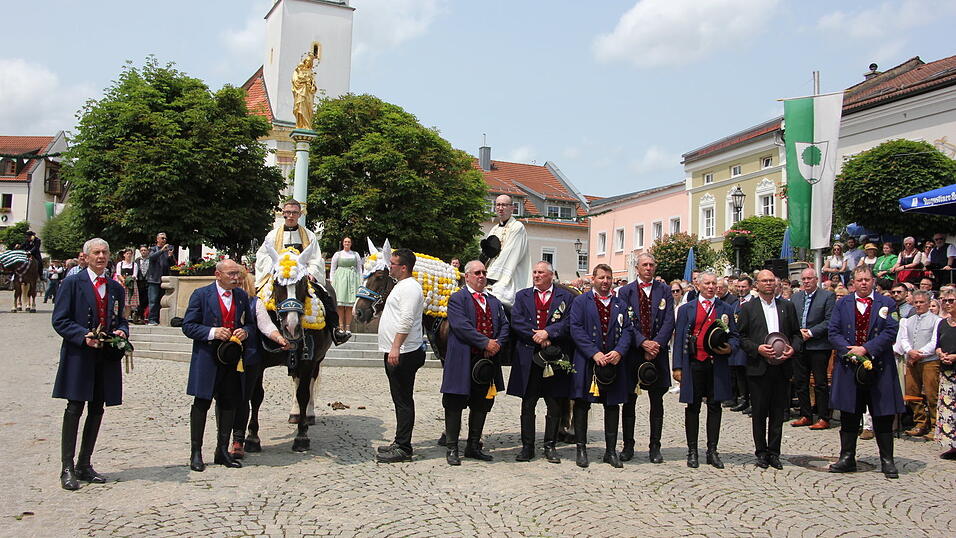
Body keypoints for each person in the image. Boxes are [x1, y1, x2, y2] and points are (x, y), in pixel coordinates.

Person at [51, 238, 129, 490]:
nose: (101, 256)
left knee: (97, 408)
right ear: (86, 257)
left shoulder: (115, 287)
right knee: (75, 408)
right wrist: (82, 336)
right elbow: (60, 320)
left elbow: (121, 319)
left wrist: (122, 332)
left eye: (105, 252)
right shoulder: (73, 283)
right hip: (79, 355)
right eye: (96, 252)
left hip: (105, 357)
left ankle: (85, 463)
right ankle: (67, 467)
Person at [828, 265, 904, 478]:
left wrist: (867, 349)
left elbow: (891, 331)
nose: (863, 283)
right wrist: (849, 351)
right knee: (849, 414)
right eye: (859, 280)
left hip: (879, 367)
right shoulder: (842, 303)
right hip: (849, 367)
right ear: (853, 282)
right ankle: (847, 457)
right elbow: (833, 332)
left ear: (873, 282)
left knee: (882, 414)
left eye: (867, 279)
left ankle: (887, 460)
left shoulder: (887, 303)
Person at [181, 259, 255, 472]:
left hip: (231, 360)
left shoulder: (241, 296)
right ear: (218, 274)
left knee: (229, 404)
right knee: (201, 404)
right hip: (207, 359)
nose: (236, 278)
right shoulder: (202, 295)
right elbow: (188, 326)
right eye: (231, 274)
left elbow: (250, 323)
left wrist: (246, 331)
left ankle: (222, 450)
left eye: (238, 274)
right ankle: (196, 452)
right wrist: (212, 332)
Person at [441, 260, 510, 466]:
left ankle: (473, 445)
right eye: (477, 272)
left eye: (484, 272)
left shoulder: (495, 302)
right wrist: (485, 342)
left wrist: (497, 343)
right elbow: (461, 326)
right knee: (454, 403)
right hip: (463, 360)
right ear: (467, 276)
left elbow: (505, 325)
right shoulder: (457, 299)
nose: (481, 276)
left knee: (482, 404)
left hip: (487, 363)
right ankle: (452, 447)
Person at [506, 261, 576, 463]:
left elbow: (569, 322)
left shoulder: (567, 297)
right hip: (528, 357)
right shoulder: (523, 295)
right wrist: (536, 336)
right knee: (528, 404)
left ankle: (550, 445)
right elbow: (517, 321)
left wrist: (549, 333)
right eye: (534, 272)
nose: (536, 275)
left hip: (555, 356)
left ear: (551, 275)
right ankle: (527, 446)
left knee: (554, 403)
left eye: (541, 273)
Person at [255, 199, 348, 346]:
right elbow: (262, 256)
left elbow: (316, 258)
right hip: (280, 277)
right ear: (283, 214)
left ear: (300, 214)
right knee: (255, 297)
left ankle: (335, 329)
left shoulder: (309, 236)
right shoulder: (272, 236)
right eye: (287, 213)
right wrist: (277, 268)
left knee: (326, 294)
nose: (290, 216)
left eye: (294, 213)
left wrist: (310, 272)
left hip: (302, 277)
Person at [568, 264, 633, 468]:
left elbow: (628, 330)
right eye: (601, 278)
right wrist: (593, 352)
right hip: (588, 361)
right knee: (582, 404)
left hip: (612, 362)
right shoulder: (580, 302)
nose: (605, 281)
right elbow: (575, 328)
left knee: (612, 405)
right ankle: (581, 449)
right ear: (593, 279)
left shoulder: (620, 304)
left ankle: (610, 451)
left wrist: (619, 351)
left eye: (609, 278)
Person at [737, 270, 802, 469]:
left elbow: (796, 334)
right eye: (764, 281)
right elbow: (741, 338)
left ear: (776, 284)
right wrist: (757, 348)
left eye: (771, 281)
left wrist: (793, 349)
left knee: (777, 412)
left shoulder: (787, 306)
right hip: (759, 367)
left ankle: (774, 452)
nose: (768, 284)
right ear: (756, 284)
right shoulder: (748, 308)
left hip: (781, 367)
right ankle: (761, 452)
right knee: (759, 412)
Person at [672, 271, 737, 469]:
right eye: (707, 283)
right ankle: (692, 451)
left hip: (716, 364)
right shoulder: (687, 309)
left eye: (714, 284)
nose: (711, 287)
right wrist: (677, 366)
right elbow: (679, 338)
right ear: (699, 285)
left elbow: (734, 335)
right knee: (693, 407)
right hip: (694, 362)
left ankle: (712, 450)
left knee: (715, 406)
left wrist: (730, 347)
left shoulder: (725, 308)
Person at [617, 253, 675, 464]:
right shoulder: (625, 292)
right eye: (645, 265)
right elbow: (624, 322)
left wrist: (656, 344)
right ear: (637, 267)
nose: (648, 268)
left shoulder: (665, 291)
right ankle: (628, 445)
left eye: (651, 265)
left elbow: (669, 320)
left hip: (657, 354)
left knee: (657, 402)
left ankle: (655, 446)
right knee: (629, 401)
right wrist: (642, 342)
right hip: (634, 353)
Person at [231, 267, 288, 460]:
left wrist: (280, 338)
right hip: (226, 357)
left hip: (248, 358)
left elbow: (266, 325)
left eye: (240, 282)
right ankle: (224, 440)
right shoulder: (222, 301)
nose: (237, 284)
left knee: (245, 397)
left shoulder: (255, 303)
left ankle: (238, 439)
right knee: (227, 399)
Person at [376, 248, 426, 463]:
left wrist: (396, 347)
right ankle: (399, 440)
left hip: (404, 352)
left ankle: (404, 447)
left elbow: (406, 320)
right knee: (399, 399)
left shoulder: (410, 288)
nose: (390, 267)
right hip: (396, 351)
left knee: (404, 400)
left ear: (404, 267)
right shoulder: (401, 286)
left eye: (393, 264)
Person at [790, 269, 836, 430]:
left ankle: (823, 416)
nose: (806, 281)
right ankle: (805, 414)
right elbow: (791, 318)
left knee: (820, 383)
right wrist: (798, 332)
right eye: (804, 279)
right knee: (801, 382)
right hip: (800, 345)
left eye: (810, 278)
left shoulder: (827, 296)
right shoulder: (795, 297)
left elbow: (830, 320)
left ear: (816, 279)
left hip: (818, 346)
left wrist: (810, 332)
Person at [893, 290, 941, 439]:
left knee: (932, 394)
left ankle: (935, 425)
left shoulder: (936, 320)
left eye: (922, 302)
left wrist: (919, 353)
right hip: (912, 360)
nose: (919, 305)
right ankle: (920, 422)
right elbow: (904, 339)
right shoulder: (908, 320)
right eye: (916, 302)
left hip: (929, 361)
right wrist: (909, 352)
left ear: (928, 303)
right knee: (911, 393)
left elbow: (934, 341)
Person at [482, 194, 531, 308]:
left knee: (499, 295)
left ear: (512, 208)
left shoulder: (517, 227)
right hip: (491, 274)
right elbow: (488, 254)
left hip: (510, 277)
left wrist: (490, 277)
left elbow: (509, 255)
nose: (500, 208)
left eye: (504, 205)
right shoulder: (494, 229)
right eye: (498, 205)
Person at [934, 288, 956, 459]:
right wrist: (940, 352)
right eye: (945, 300)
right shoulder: (942, 323)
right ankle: (952, 446)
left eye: (951, 300)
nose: (947, 304)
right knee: (948, 412)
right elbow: (937, 344)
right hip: (946, 373)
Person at [728, 275, 754, 413]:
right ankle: (743, 399)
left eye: (743, 287)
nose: (741, 289)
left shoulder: (754, 302)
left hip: (750, 343)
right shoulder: (735, 303)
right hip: (737, 344)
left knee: (749, 374)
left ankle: (752, 401)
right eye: (739, 287)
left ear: (750, 287)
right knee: (739, 373)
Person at [330, 237, 362, 334]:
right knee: (340, 305)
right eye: (345, 242)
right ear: (343, 243)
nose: (347, 243)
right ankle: (340, 326)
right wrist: (332, 280)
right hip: (340, 279)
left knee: (349, 305)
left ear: (351, 243)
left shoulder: (355, 254)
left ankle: (348, 327)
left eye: (348, 242)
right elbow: (333, 268)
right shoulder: (337, 254)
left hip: (352, 279)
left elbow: (359, 268)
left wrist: (361, 280)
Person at [146, 233, 175, 325]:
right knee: (153, 301)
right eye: (162, 238)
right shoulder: (153, 249)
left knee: (162, 301)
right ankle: (152, 319)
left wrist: (170, 256)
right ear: (157, 239)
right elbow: (151, 258)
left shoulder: (167, 251)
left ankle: (159, 319)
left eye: (165, 238)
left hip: (164, 279)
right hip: (154, 279)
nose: (164, 240)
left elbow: (172, 264)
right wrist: (162, 250)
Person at [114, 248, 139, 321]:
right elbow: (118, 274)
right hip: (121, 284)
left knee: (129, 303)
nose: (129, 255)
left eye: (130, 254)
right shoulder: (120, 264)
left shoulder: (134, 265)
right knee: (120, 302)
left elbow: (134, 275)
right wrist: (123, 281)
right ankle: (119, 318)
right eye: (127, 254)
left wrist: (128, 280)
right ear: (124, 255)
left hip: (131, 285)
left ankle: (126, 319)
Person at [134, 246, 149, 322]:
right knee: (139, 299)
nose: (143, 251)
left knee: (146, 299)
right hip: (139, 281)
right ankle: (139, 314)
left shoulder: (150, 259)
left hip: (148, 281)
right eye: (142, 250)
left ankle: (142, 314)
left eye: (145, 250)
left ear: (147, 251)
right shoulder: (137, 260)